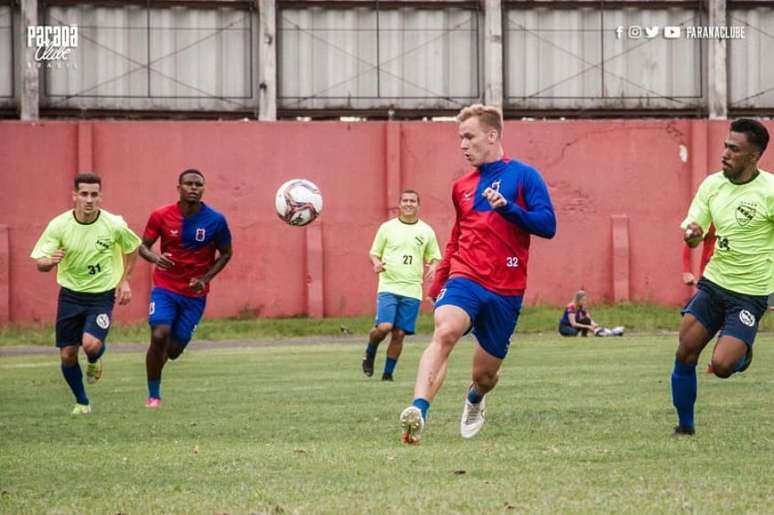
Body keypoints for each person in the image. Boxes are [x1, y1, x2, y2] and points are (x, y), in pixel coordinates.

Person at [399, 104, 557, 444]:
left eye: (469, 137)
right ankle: (418, 411)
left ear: (492, 135)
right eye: (460, 138)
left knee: (484, 375)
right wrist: (441, 280)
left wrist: (510, 209)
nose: (463, 145)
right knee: (446, 330)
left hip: (507, 288)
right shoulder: (461, 187)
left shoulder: (524, 176)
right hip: (466, 277)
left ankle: (476, 398)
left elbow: (548, 225)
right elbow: (458, 236)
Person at [672, 119, 773, 436]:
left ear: (753, 156)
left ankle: (741, 354)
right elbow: (692, 234)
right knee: (685, 350)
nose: (725, 153)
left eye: (734, 149)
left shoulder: (769, 191)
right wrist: (693, 234)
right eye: (725, 146)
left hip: (750, 292)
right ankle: (685, 427)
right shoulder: (712, 185)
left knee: (723, 366)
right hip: (714, 284)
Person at [30, 173, 141, 415]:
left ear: (101, 196)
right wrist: (49, 261)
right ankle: (82, 402)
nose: (89, 200)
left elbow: (133, 248)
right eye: (84, 194)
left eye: (94, 194)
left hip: (100, 295)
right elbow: (40, 262)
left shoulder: (113, 225)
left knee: (90, 345)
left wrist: (125, 281)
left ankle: (94, 359)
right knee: (68, 354)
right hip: (70, 295)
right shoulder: (59, 225)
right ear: (74, 196)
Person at [139, 169, 233, 408]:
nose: (194, 188)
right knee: (159, 334)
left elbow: (226, 253)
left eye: (198, 185)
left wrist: (206, 278)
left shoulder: (216, 220)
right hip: (165, 287)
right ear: (179, 187)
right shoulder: (161, 215)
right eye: (189, 184)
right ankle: (153, 395)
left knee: (173, 351)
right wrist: (155, 258)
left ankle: (161, 365)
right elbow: (143, 246)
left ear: (203, 189)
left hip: (195, 294)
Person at [361, 190, 441, 381]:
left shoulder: (426, 231)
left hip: (412, 289)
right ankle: (370, 351)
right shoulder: (387, 228)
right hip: (389, 286)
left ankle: (388, 375)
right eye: (405, 200)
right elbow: (374, 253)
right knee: (385, 327)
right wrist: (376, 263)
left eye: (412, 201)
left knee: (399, 333)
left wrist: (434, 266)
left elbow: (435, 256)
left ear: (418, 205)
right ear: (399, 204)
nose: (408, 204)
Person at [558, 290, 624, 337]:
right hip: (565, 326)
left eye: (585, 300)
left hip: (573, 327)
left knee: (586, 320)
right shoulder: (571, 306)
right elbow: (573, 324)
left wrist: (595, 325)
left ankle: (584, 335)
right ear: (577, 300)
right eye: (583, 300)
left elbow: (588, 319)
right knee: (574, 333)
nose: (584, 302)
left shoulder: (582, 307)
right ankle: (563, 333)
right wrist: (588, 326)